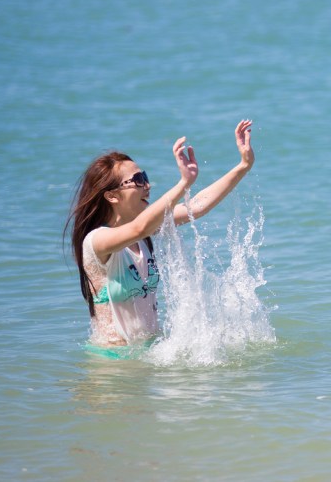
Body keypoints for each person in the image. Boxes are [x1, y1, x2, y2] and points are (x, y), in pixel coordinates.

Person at [65, 120, 255, 357]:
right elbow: (138, 228)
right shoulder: (97, 241)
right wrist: (183, 183)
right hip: (111, 363)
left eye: (145, 177)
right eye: (137, 180)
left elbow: (196, 206)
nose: (147, 185)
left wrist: (243, 166)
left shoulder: (146, 231)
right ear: (112, 196)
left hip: (147, 355)